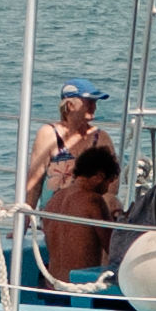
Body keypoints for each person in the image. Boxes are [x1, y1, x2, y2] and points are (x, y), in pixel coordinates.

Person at [19, 84, 113, 279]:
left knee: (107, 205)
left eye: (95, 102)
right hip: (56, 208)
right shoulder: (48, 134)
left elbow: (111, 187)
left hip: (89, 210)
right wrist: (24, 220)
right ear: (69, 105)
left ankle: (101, 277)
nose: (94, 107)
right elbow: (35, 181)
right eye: (89, 102)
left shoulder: (101, 138)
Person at [44, 143, 123, 282]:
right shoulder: (93, 200)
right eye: (109, 182)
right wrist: (119, 219)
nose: (107, 189)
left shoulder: (54, 199)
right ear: (99, 176)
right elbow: (114, 249)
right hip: (79, 288)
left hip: (52, 286)